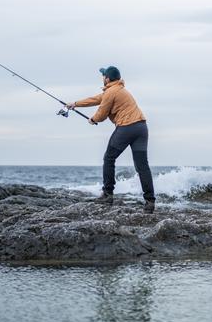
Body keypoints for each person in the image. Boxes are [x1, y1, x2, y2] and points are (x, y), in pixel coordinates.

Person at [67, 66, 156, 213]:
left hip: (126, 128)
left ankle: (107, 195)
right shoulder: (119, 90)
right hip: (141, 128)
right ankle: (150, 202)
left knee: (109, 159)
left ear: (107, 78)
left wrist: (93, 119)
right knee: (142, 166)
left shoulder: (110, 92)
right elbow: (95, 99)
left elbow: (101, 115)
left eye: (103, 75)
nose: (102, 77)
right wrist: (75, 104)